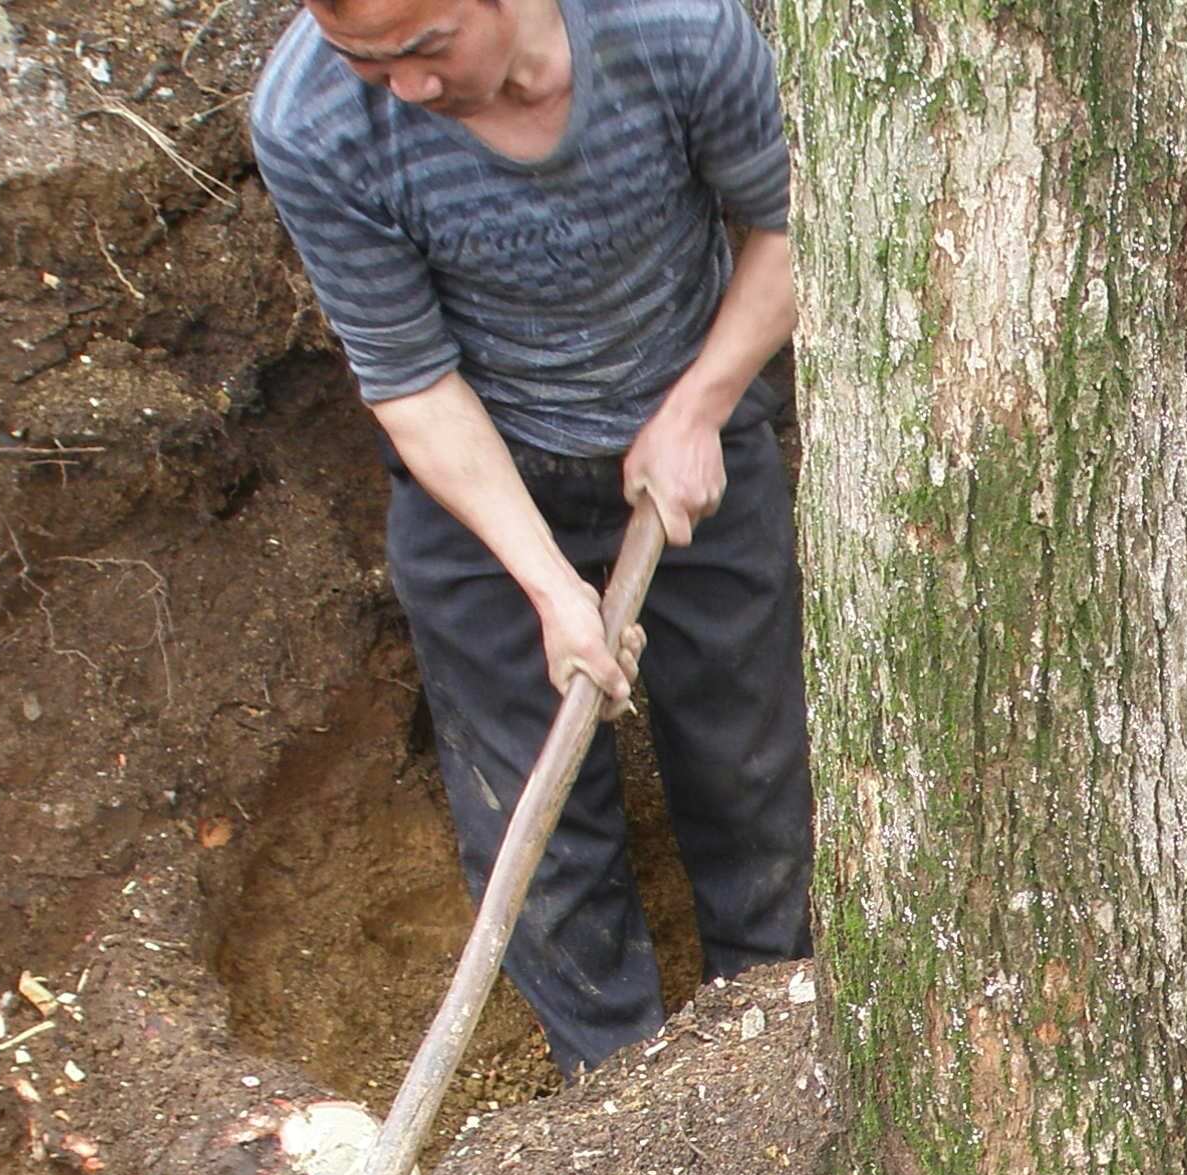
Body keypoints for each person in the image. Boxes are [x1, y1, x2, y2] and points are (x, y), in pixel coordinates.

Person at [251, 0, 814, 1077]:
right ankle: (608, 1100)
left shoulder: (677, 28)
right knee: (537, 826)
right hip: (481, 482)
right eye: (366, 61)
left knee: (750, 776)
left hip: (691, 428)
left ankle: (765, 1048)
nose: (404, 88)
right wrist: (552, 586)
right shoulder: (313, 119)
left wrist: (700, 405)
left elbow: (792, 222)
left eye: (423, 49)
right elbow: (411, 382)